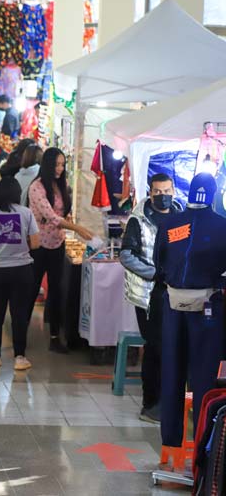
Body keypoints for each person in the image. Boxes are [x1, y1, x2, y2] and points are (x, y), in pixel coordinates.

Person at [155, 173, 226, 448]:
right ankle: (203, 447)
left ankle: (170, 442)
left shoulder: (170, 223)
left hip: (173, 307)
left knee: (171, 373)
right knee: (205, 379)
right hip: (209, 312)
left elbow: (158, 264)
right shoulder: (222, 227)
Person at [120, 173, 179, 424]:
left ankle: (167, 402)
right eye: (157, 191)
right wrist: (153, 273)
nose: (162, 196)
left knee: (170, 348)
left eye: (166, 191)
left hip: (175, 293)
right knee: (154, 347)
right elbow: (126, 255)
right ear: (150, 192)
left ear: (173, 191)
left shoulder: (180, 216)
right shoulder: (139, 219)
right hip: (147, 294)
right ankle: (150, 403)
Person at [27, 147, 93, 353]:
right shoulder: (36, 187)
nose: (60, 168)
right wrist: (77, 228)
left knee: (55, 291)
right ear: (47, 164)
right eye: (56, 164)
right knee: (30, 290)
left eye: (62, 164)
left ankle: (55, 337)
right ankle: (21, 334)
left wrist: (71, 225)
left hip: (58, 243)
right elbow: (51, 216)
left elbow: (62, 214)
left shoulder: (62, 185)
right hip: (38, 246)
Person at [0, 177, 40, 371]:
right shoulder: (26, 212)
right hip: (22, 270)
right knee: (19, 315)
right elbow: (36, 243)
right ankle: (20, 357)